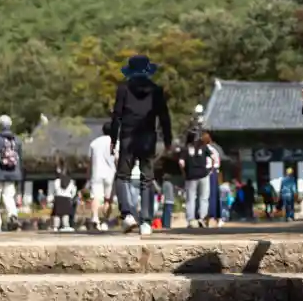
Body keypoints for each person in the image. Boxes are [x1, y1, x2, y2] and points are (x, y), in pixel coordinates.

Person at [110, 54, 173, 235]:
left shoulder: (123, 89)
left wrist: (113, 139)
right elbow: (164, 117)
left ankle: (128, 215)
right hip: (148, 138)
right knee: (147, 179)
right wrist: (167, 140)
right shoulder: (156, 90)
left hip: (128, 137)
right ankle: (146, 222)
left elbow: (117, 116)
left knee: (123, 176)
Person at [0, 114, 23, 233]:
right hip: (11, 173)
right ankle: (13, 215)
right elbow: (20, 158)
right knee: (9, 196)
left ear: (0, 125)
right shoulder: (17, 141)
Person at [179, 131, 213, 227]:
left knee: (190, 199)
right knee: (204, 198)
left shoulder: (185, 149)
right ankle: (202, 218)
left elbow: (181, 163)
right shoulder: (204, 147)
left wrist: (184, 173)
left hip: (191, 176)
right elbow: (213, 157)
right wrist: (210, 170)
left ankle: (191, 220)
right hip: (203, 174)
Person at [89, 122, 117, 230]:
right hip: (111, 174)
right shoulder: (115, 142)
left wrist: (88, 174)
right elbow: (117, 159)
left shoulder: (94, 143)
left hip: (96, 173)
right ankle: (105, 221)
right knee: (107, 200)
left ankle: (95, 219)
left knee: (95, 197)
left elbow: (90, 161)